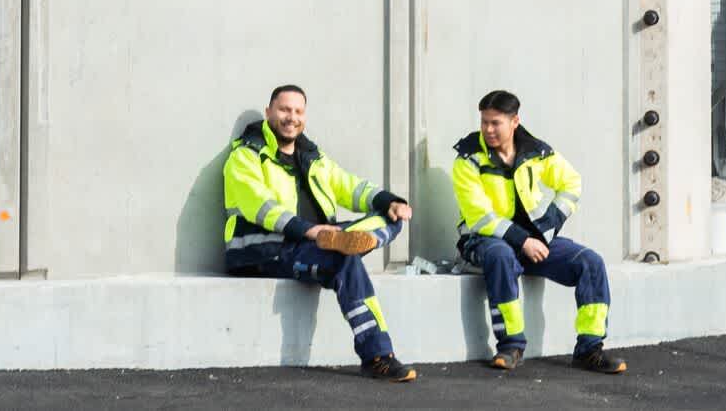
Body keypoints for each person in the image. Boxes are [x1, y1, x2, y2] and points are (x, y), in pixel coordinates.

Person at [222, 84, 419, 384]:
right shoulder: (246, 156)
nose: (291, 117)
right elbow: (261, 206)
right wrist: (311, 230)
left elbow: (348, 185)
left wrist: (388, 200)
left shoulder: (311, 157)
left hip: (312, 244)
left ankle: (346, 240)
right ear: (268, 113)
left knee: (391, 217)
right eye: (284, 109)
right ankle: (378, 356)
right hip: (266, 249)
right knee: (346, 261)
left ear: (305, 116)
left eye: (298, 111)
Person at [451, 90, 625, 374]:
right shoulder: (468, 159)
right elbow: (479, 217)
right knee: (501, 256)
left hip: (533, 238)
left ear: (515, 121)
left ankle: (589, 350)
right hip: (482, 239)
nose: (488, 130)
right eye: (484, 122)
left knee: (590, 263)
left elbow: (571, 184)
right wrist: (524, 241)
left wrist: (545, 230)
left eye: (496, 123)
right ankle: (511, 346)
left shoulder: (536, 152)